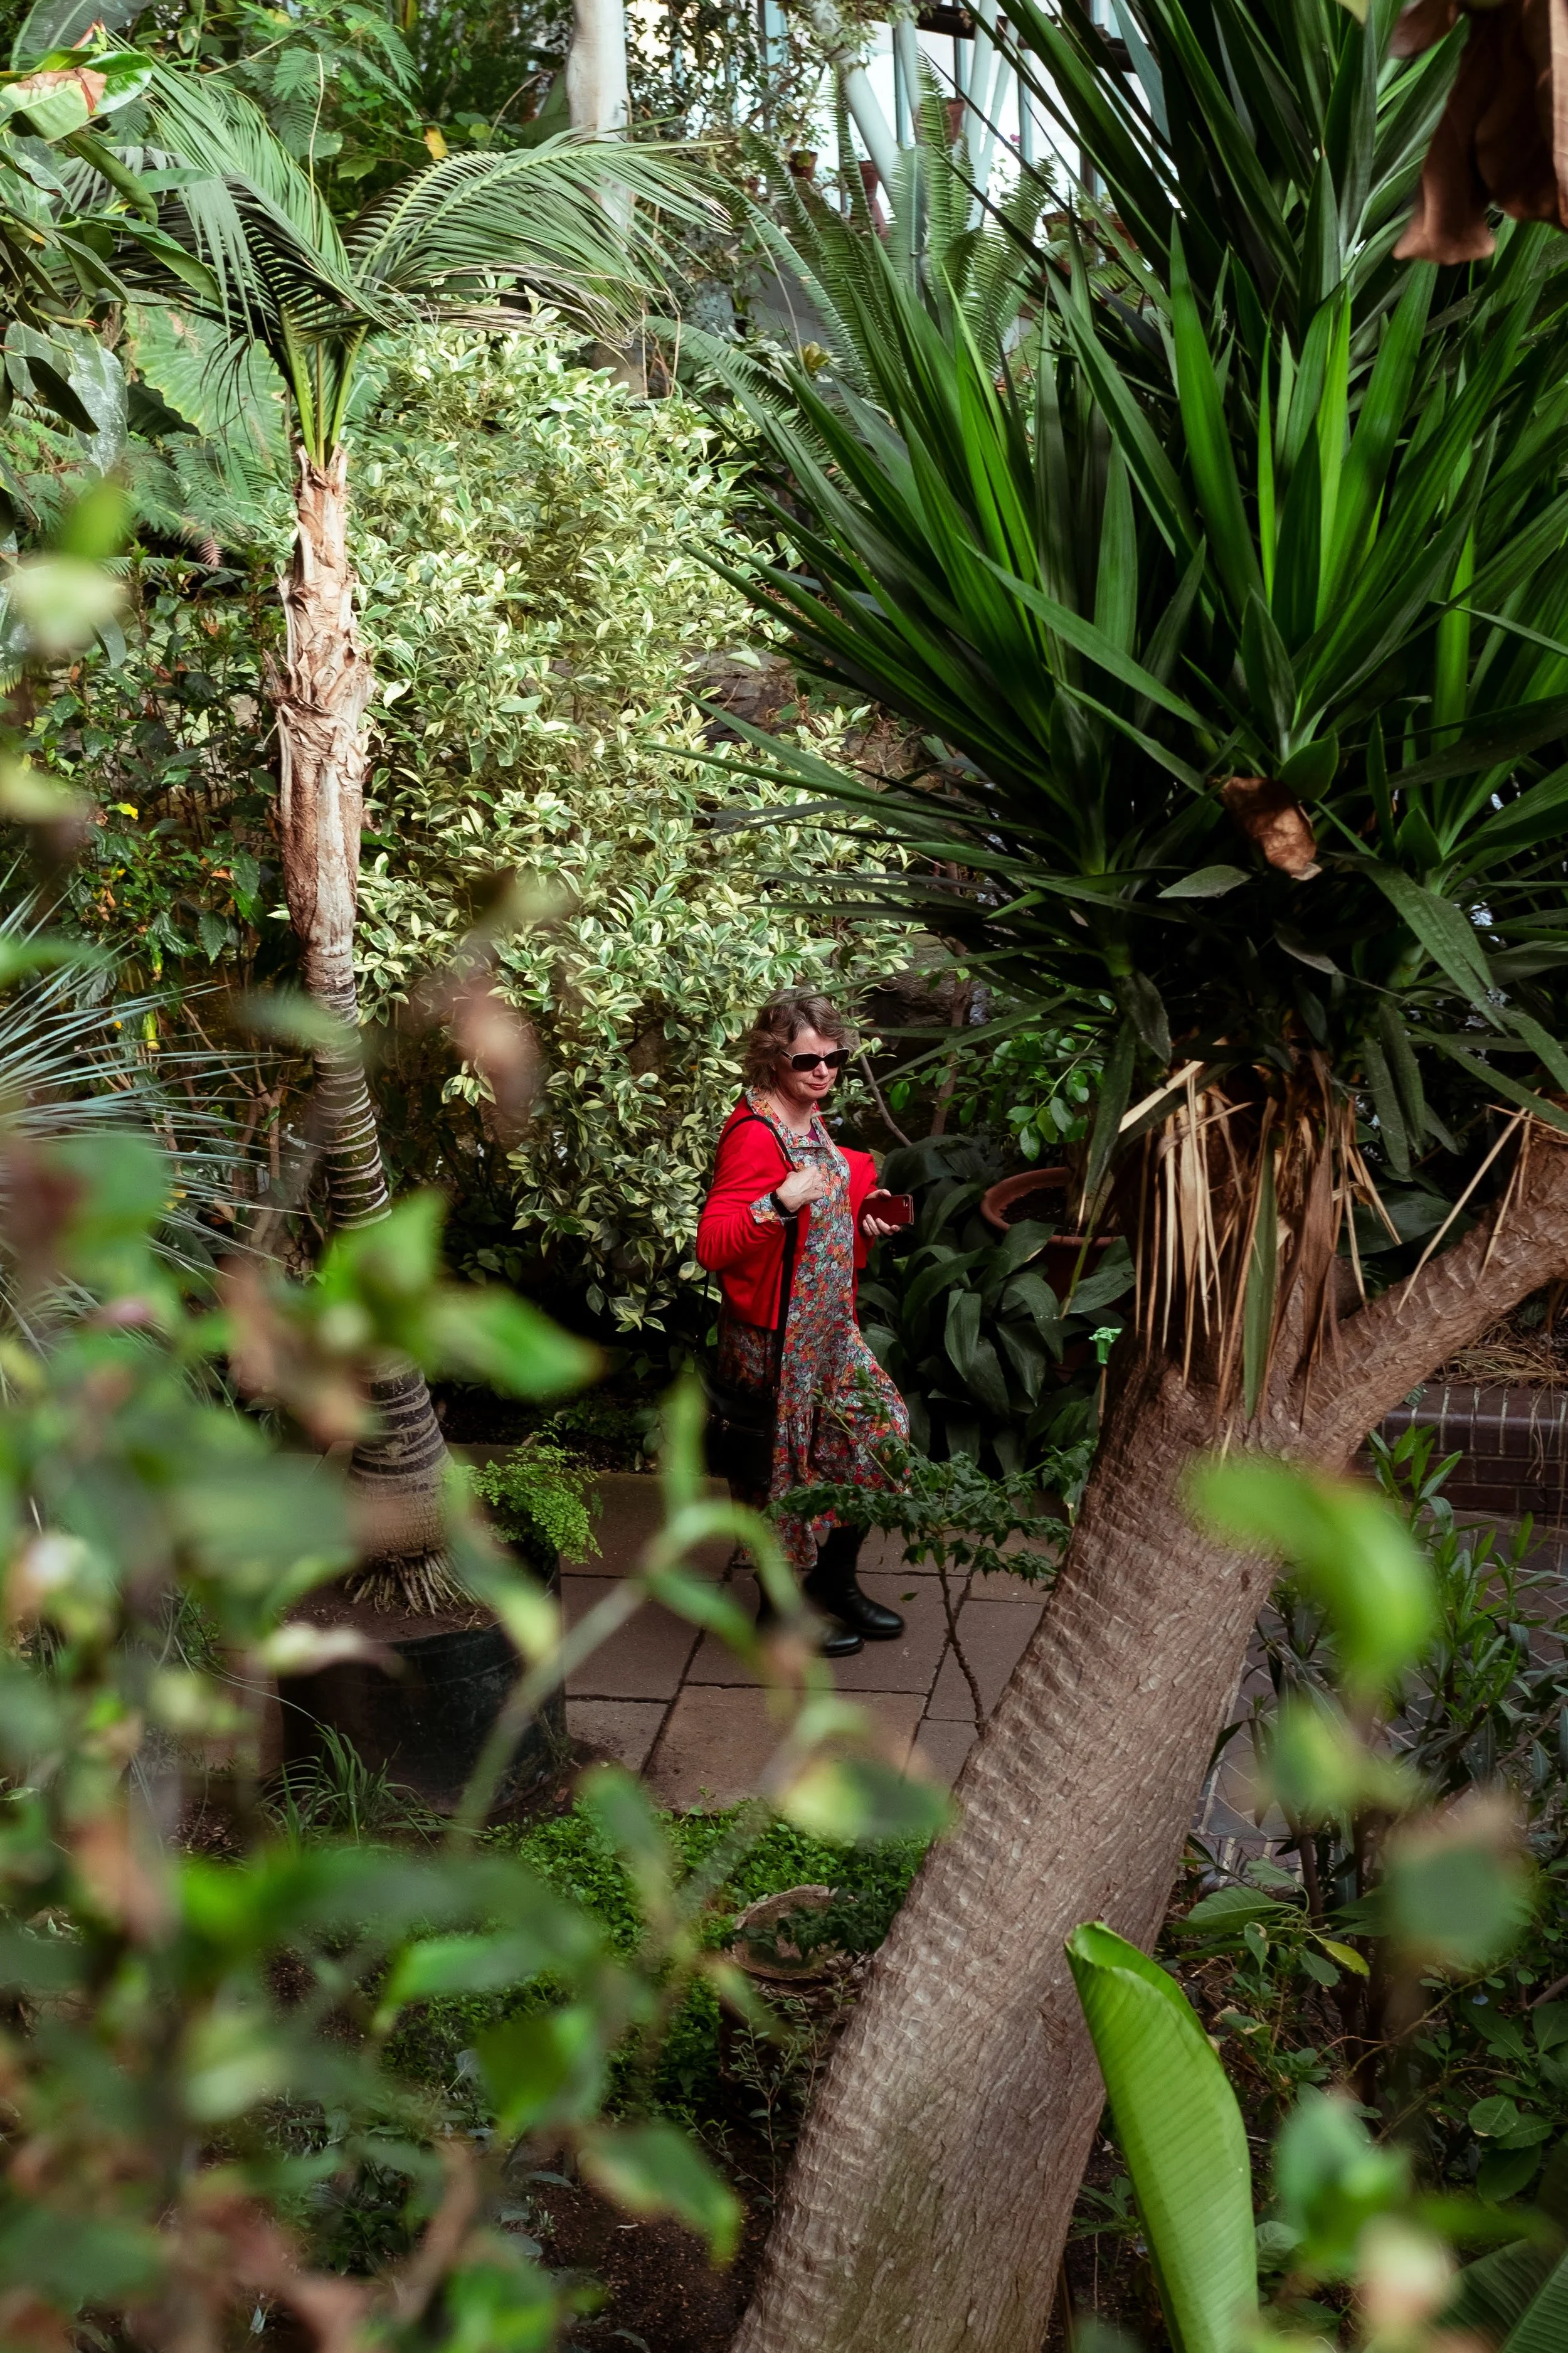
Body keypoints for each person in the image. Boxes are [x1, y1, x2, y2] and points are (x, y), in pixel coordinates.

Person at [696, 988, 909, 1657]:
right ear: (771, 1062)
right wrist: (776, 1203)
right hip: (770, 1340)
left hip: (827, 1328)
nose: (822, 1072)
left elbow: (827, 1213)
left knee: (879, 1432)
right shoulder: (754, 1138)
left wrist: (865, 1214)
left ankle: (834, 1583)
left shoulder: (809, 1123)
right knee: (773, 1471)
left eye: (834, 1059)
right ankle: (778, 1609)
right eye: (806, 1061)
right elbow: (712, 1245)